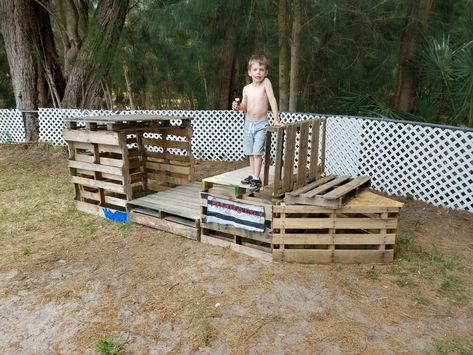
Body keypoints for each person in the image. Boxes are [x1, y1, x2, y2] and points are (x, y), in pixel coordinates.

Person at [232, 54, 284, 193]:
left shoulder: (266, 83)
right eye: (255, 69)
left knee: (257, 153)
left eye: (261, 69)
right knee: (250, 153)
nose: (258, 72)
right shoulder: (246, 88)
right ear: (249, 72)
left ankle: (256, 178)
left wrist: (276, 119)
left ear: (266, 72)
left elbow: (272, 100)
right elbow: (244, 106)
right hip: (248, 124)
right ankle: (253, 174)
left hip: (261, 124)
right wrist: (237, 107)